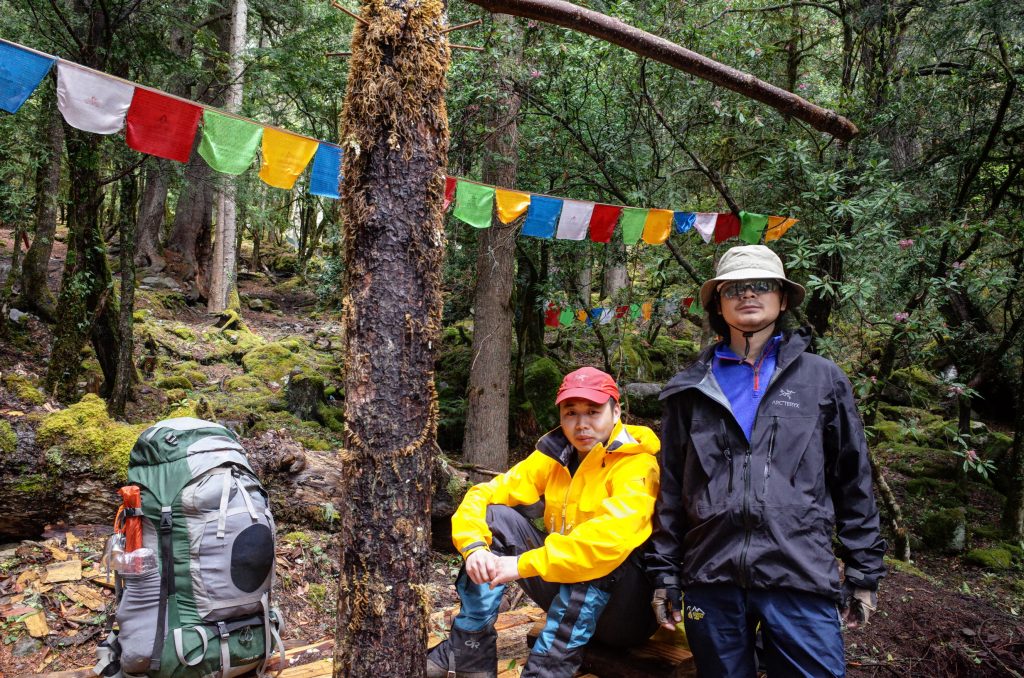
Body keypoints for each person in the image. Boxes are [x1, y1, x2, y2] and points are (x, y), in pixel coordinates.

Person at [646, 245, 887, 677]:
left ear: (783, 297)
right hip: (710, 575)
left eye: (761, 285)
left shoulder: (821, 379)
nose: (748, 294)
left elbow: (852, 478)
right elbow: (670, 490)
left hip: (799, 572)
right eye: (735, 287)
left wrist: (864, 570)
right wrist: (666, 573)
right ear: (718, 303)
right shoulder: (690, 388)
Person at [427, 367, 661, 678]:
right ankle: (469, 651)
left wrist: (522, 565)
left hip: (625, 613)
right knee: (496, 517)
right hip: (567, 595)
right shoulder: (555, 456)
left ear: (616, 411)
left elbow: (609, 540)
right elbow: (484, 494)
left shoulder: (637, 464)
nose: (581, 424)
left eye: (593, 412)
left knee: (601, 557)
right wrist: (475, 548)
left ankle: (545, 671)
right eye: (571, 412)